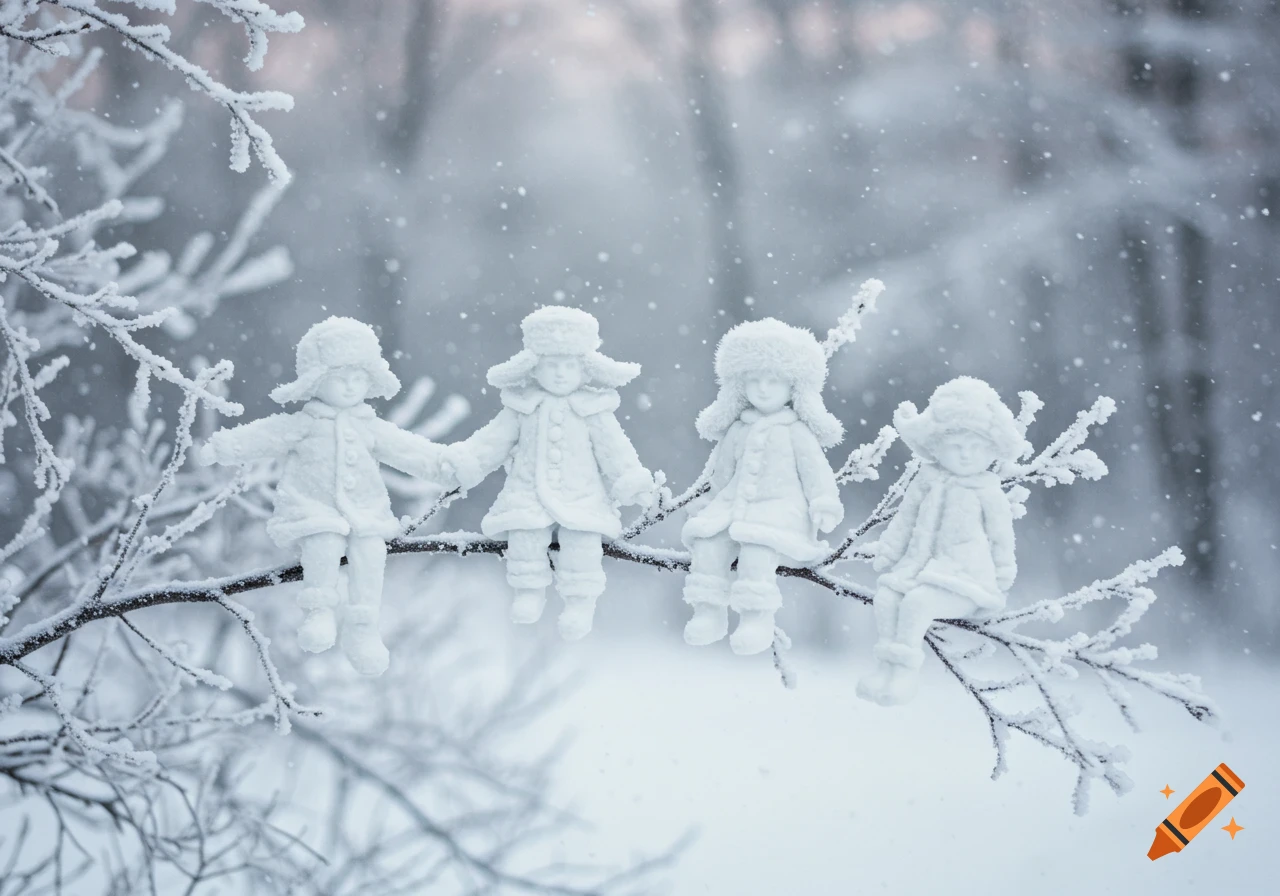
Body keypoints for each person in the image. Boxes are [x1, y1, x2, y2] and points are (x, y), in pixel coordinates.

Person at [199, 317, 451, 676]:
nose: (350, 386)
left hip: (366, 511)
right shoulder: (304, 424)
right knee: (323, 541)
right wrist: (226, 446)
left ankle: (363, 627)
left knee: (371, 552)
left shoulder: (371, 427)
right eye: (339, 377)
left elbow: (409, 451)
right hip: (312, 507)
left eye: (358, 377)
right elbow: (265, 435)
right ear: (316, 381)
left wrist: (444, 466)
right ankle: (318, 611)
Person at [442, 306, 655, 640]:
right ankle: (528, 591)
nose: (560, 374)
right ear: (534, 367)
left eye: (569, 365)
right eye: (552, 365)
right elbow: (493, 441)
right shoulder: (522, 407)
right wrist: (468, 461)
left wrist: (630, 479)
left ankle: (580, 602)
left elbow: (615, 450)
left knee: (581, 540)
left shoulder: (594, 410)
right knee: (525, 536)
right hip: (527, 493)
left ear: (584, 370)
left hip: (582, 495)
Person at [857, 376, 1027, 705]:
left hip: (966, 577)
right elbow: (904, 519)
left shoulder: (987, 489)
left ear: (992, 449)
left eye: (976, 447)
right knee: (888, 597)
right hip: (918, 568)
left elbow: (1001, 537)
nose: (965, 456)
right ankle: (885, 667)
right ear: (936, 446)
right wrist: (890, 549)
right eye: (956, 447)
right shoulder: (926, 480)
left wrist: (1004, 572)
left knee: (918, 603)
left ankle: (904, 673)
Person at [681, 318, 845, 656]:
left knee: (757, 554)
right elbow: (722, 474)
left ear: (793, 386)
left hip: (779, 511)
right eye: (754, 380)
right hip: (731, 508)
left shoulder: (797, 431)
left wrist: (824, 503)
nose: (763, 389)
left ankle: (757, 618)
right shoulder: (737, 430)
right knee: (709, 546)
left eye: (773, 380)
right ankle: (708, 612)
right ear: (739, 386)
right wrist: (707, 503)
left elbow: (817, 474)